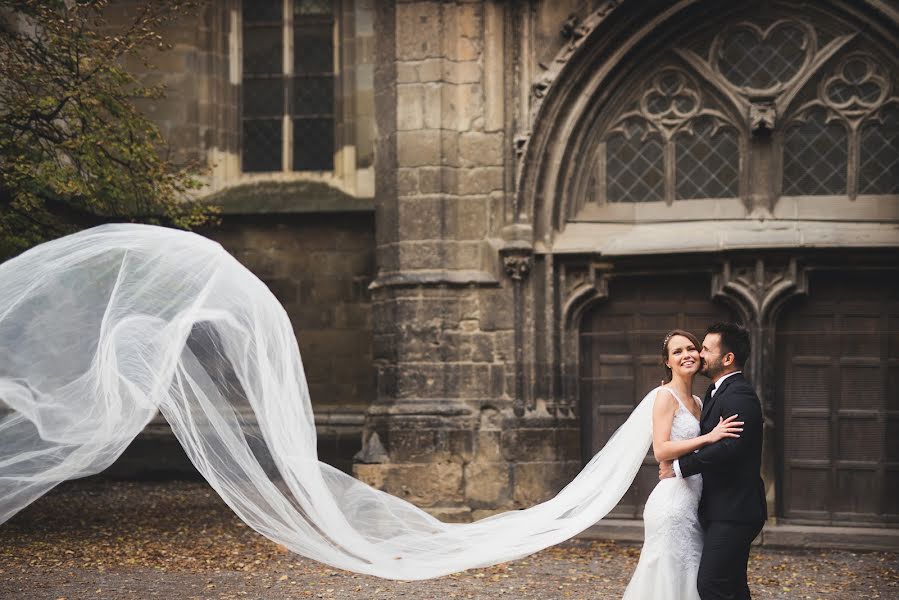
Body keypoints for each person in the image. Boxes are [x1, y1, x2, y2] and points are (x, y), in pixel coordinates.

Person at [622, 330, 743, 600]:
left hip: (693, 501)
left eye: (691, 348)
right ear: (667, 362)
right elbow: (661, 449)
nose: (686, 355)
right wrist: (709, 436)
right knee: (668, 580)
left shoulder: (700, 401)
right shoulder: (665, 396)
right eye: (677, 352)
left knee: (692, 578)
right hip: (672, 504)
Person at [659, 323, 767, 600]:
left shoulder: (739, 394)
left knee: (711, 584)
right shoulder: (713, 392)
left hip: (735, 510)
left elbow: (731, 446)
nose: (699, 355)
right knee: (731, 585)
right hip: (722, 507)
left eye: (705, 349)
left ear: (727, 359)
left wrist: (681, 466)